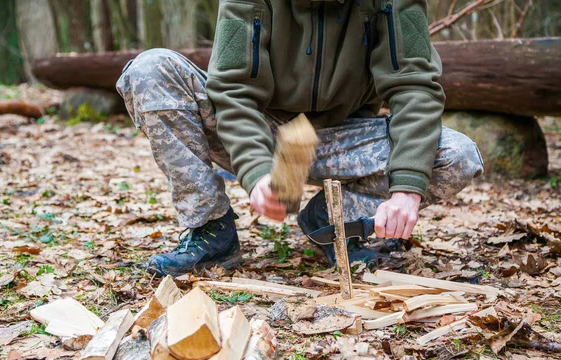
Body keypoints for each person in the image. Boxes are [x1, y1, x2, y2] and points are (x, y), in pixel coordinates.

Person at [116, 0, 484, 277]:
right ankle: (211, 229)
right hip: (261, 126)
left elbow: (415, 87)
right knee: (151, 69)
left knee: (458, 155)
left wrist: (406, 189)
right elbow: (232, 88)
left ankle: (332, 218)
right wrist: (257, 169)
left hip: (343, 137)